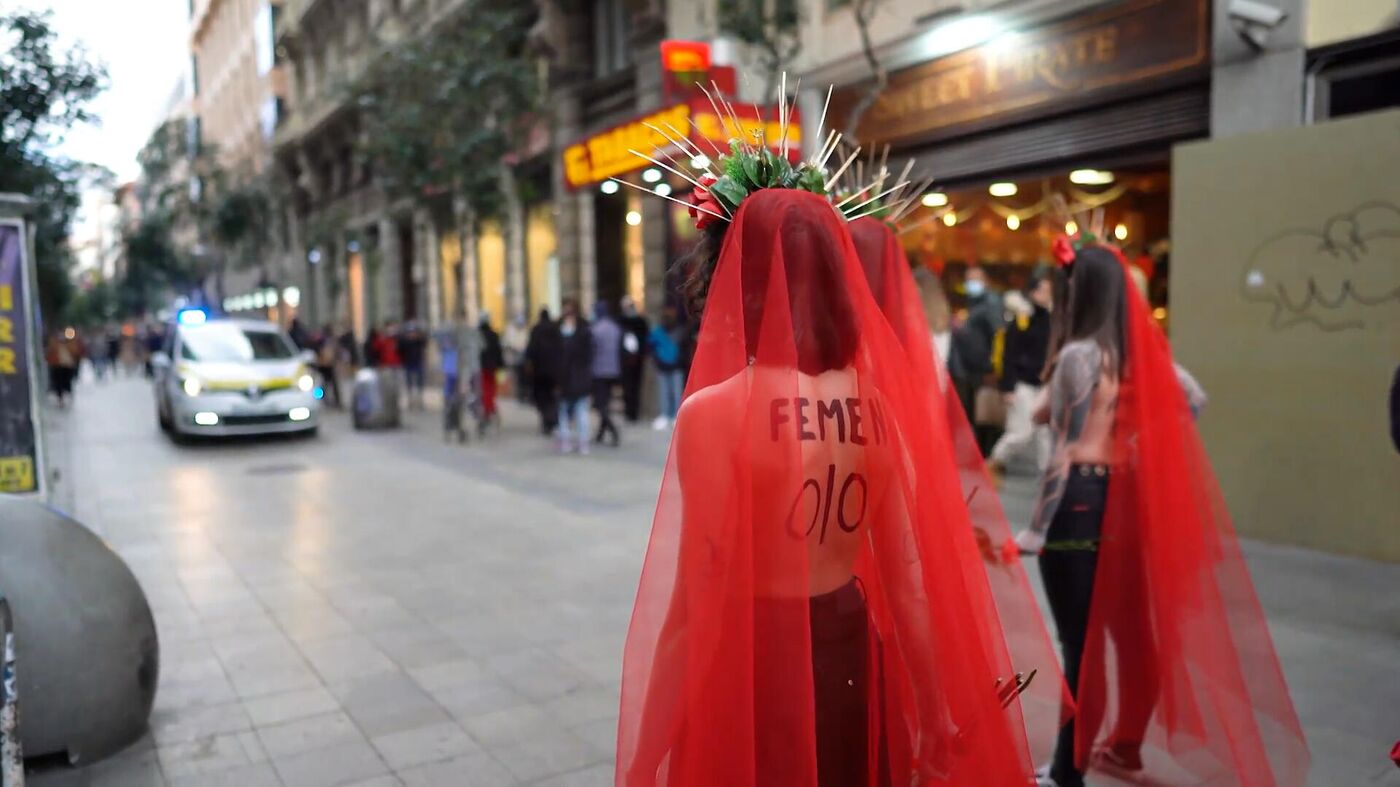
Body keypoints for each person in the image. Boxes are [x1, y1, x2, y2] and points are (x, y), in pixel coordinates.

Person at [619, 180, 1056, 786]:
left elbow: (694, 605)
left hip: (756, 664)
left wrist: (644, 756)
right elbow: (908, 584)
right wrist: (933, 715)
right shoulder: (876, 406)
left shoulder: (714, 413)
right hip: (850, 646)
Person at [1014, 243, 1308, 787]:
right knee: (1121, 639)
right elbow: (1194, 399)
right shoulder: (1139, 357)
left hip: (1076, 505)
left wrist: (1035, 529)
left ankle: (1066, 771)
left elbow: (1065, 451)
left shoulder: (1080, 356)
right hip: (1119, 506)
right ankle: (1108, 750)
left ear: (1081, 293)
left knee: (1079, 645)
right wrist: (1136, 436)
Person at [988, 275, 1053, 480]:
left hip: (1044, 385)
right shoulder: (1021, 318)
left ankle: (1047, 475)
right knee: (1021, 431)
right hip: (1023, 384)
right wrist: (1007, 386)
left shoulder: (1052, 319)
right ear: (1033, 292)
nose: (1047, 295)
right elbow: (1009, 353)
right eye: (1043, 290)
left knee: (1045, 433)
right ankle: (995, 461)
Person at [949, 265, 1003, 455]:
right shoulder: (974, 304)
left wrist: (995, 366)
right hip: (970, 367)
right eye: (969, 279)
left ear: (985, 281)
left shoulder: (990, 303)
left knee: (983, 415)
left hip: (984, 369)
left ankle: (985, 453)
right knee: (974, 412)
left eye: (975, 279)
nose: (971, 283)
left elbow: (998, 334)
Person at [554, 299, 593, 454]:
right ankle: (573, 441)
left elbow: (565, 358)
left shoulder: (578, 335)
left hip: (574, 379)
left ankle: (576, 441)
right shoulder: (583, 332)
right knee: (569, 411)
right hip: (573, 380)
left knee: (575, 411)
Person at [590, 301, 622, 447]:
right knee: (605, 402)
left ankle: (613, 430)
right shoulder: (615, 328)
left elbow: (592, 351)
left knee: (600, 404)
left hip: (599, 371)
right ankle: (600, 433)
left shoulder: (595, 329)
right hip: (613, 370)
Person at [646, 306, 685, 430]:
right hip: (662, 367)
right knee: (664, 392)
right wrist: (657, 361)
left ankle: (676, 416)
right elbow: (650, 348)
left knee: (676, 392)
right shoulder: (657, 332)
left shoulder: (680, 332)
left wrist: (680, 362)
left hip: (676, 367)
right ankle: (665, 415)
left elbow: (684, 349)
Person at [525, 309, 561, 436]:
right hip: (554, 370)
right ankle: (552, 418)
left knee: (541, 397)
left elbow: (531, 349)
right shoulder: (556, 329)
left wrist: (529, 364)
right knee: (552, 396)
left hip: (539, 371)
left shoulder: (536, 329)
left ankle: (546, 420)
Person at [618, 296, 650, 423]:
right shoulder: (621, 321)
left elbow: (645, 338)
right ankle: (629, 412)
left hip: (637, 359)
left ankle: (633, 412)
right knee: (627, 387)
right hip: (625, 359)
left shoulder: (640, 321)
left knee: (635, 386)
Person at [478, 315, 505, 432]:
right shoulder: (494, 335)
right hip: (493, 368)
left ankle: (488, 411)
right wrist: (501, 366)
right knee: (491, 390)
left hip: (482, 368)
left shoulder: (478, 335)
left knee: (484, 390)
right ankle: (490, 410)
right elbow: (499, 353)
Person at [398, 321, 429, 409]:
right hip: (408, 363)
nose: (412, 334)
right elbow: (400, 349)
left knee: (420, 382)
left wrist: (421, 335)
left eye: (414, 332)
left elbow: (425, 342)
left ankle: (420, 400)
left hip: (418, 363)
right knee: (409, 383)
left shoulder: (419, 341)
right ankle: (410, 401)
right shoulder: (405, 342)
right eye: (410, 332)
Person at [503, 312, 530, 403]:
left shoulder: (524, 330)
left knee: (522, 378)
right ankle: (514, 394)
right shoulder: (510, 329)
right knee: (513, 377)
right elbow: (508, 342)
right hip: (513, 359)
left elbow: (526, 342)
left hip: (523, 359)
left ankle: (521, 394)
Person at [314, 324, 341, 408]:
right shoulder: (327, 340)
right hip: (327, 365)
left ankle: (328, 400)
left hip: (326, 364)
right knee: (328, 383)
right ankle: (329, 400)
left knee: (327, 383)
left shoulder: (324, 340)